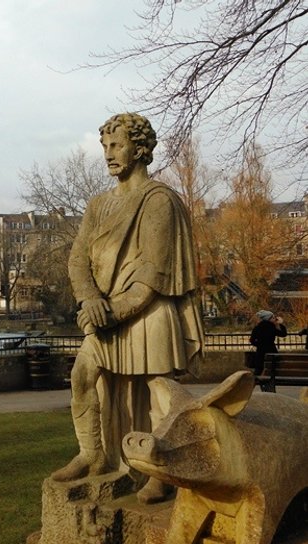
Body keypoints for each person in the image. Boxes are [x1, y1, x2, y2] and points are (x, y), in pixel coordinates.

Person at [51, 113, 204, 503]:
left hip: (147, 313)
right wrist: (89, 299)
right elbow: (77, 260)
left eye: (116, 145)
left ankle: (162, 470)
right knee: (83, 377)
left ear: (141, 148)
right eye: (104, 147)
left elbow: (152, 273)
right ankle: (92, 453)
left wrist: (112, 310)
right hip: (105, 315)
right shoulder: (98, 205)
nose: (108, 154)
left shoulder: (158, 200)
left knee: (158, 395)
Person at [250, 310, 287, 375]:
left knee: (258, 368)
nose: (275, 319)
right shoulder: (272, 327)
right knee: (274, 366)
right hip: (272, 350)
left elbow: (252, 340)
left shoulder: (257, 327)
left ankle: (258, 380)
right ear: (268, 319)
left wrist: (259, 345)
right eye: (273, 318)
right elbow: (283, 334)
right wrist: (279, 324)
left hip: (260, 352)